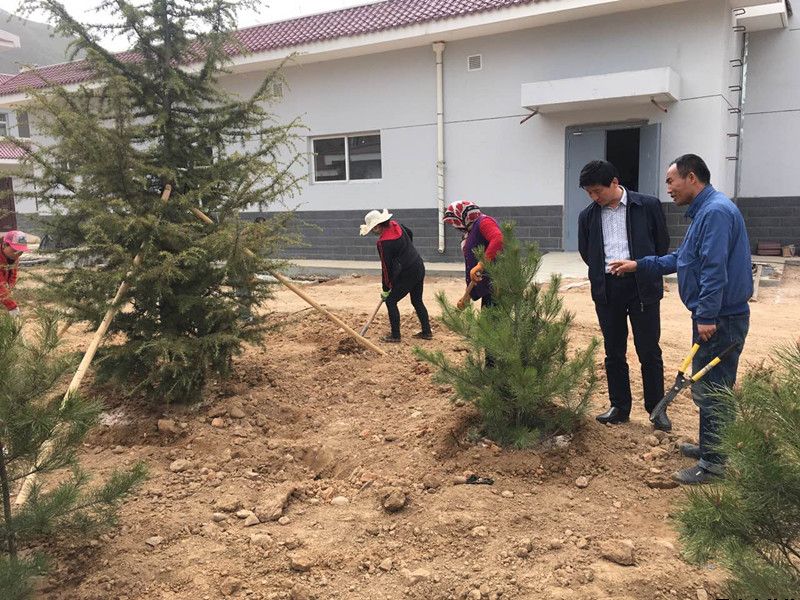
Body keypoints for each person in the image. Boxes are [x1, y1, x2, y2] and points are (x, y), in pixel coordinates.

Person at [610, 154, 752, 485]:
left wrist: (707, 315)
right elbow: (683, 258)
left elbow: (714, 268)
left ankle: (713, 465)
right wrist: (639, 265)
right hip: (715, 315)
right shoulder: (705, 211)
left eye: (671, 181)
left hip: (720, 318)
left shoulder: (715, 212)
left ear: (691, 178)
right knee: (707, 383)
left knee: (713, 389)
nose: (668, 188)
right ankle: (710, 447)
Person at [577, 160, 671, 431]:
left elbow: (661, 244)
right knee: (614, 351)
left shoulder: (647, 205)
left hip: (642, 285)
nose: (594, 197)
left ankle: (656, 409)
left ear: (615, 183)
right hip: (607, 289)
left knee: (649, 350)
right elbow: (587, 252)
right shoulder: (588, 216)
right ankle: (619, 407)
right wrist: (604, 272)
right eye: (589, 193)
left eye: (597, 191)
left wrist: (639, 267)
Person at [359, 209, 432, 343]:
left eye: (373, 229)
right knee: (417, 300)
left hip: (408, 272)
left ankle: (395, 335)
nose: (373, 232)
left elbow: (386, 268)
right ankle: (427, 332)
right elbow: (410, 232)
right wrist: (407, 251)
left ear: (377, 226)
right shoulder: (395, 224)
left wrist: (386, 288)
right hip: (418, 264)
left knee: (391, 301)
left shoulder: (383, 242)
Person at [442, 201, 503, 311]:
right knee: (487, 319)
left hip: (498, 284)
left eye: (454, 221)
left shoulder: (484, 222)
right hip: (489, 286)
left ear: (463, 216)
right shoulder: (470, 232)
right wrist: (467, 297)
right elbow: (474, 270)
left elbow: (498, 239)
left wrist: (482, 264)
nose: (454, 225)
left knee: (492, 320)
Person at [1, 230, 29, 320]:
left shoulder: (13, 257)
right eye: (15, 250)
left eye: (21, 251)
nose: (17, 254)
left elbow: (13, 274)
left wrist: (10, 287)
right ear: (4, 245)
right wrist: (12, 306)